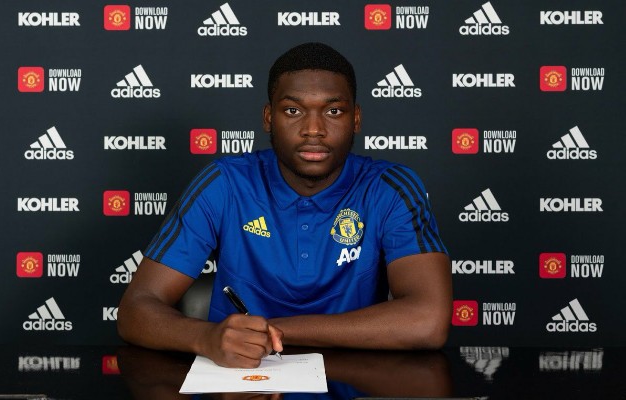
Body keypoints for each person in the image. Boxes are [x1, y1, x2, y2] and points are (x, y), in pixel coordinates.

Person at [117, 42, 452, 368]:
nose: (313, 130)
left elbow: (428, 321)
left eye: (333, 111)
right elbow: (136, 309)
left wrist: (271, 331)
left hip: (353, 381)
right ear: (268, 117)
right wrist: (206, 337)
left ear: (356, 119)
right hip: (243, 379)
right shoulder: (225, 183)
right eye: (293, 110)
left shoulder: (389, 188)